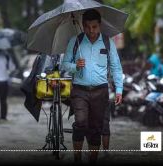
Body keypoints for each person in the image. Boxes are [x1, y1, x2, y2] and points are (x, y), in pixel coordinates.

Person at [62, 9, 123, 163]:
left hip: (100, 91)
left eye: (94, 27)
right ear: (82, 25)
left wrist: (119, 90)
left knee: (96, 127)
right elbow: (65, 64)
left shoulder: (108, 43)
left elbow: (116, 67)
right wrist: (75, 66)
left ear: (99, 25)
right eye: (88, 27)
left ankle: (92, 159)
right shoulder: (74, 42)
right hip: (80, 90)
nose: (91, 30)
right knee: (81, 122)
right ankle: (77, 157)